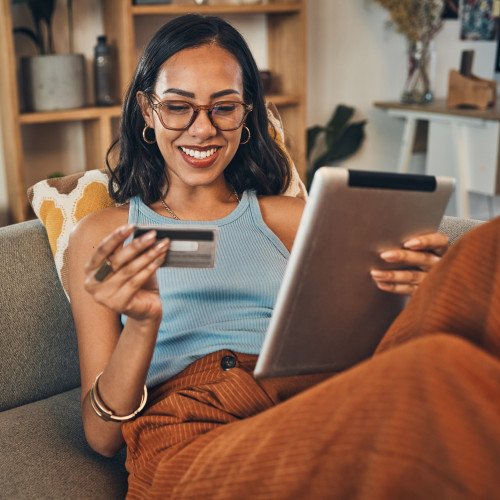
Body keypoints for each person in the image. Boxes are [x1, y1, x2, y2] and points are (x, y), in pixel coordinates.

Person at [66, 15, 500, 499]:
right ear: (147, 111)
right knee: (440, 366)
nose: (202, 129)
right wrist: (143, 325)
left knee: (487, 253)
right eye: (178, 107)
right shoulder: (105, 234)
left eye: (223, 108)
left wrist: (424, 290)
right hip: (192, 427)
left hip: (304, 394)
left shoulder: (290, 218)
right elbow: (101, 437)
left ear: (246, 113)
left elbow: (356, 337)